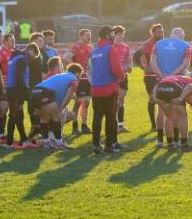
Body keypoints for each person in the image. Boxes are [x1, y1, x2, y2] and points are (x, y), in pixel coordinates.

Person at [89, 25, 128, 154]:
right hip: (109, 89)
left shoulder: (94, 51)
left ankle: (96, 144)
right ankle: (109, 145)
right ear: (107, 35)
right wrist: (122, 76)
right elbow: (116, 69)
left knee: (97, 118)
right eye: (112, 33)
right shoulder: (111, 49)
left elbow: (91, 70)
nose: (114, 36)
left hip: (95, 89)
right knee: (111, 118)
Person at [151, 28, 191, 146]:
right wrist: (172, 75)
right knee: (179, 113)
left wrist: (161, 75)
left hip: (160, 81)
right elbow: (185, 64)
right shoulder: (185, 45)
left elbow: (152, 62)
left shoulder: (158, 44)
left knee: (162, 112)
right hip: (176, 82)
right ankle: (178, 141)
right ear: (182, 36)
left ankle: (160, 141)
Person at [31, 64, 83, 149]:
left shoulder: (61, 75)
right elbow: (68, 96)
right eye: (80, 75)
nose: (80, 77)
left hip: (35, 91)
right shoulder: (74, 79)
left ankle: (46, 142)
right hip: (45, 92)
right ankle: (59, 143)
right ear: (77, 73)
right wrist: (60, 109)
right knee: (57, 117)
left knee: (44, 118)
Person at [152, 74, 192, 151]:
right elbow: (190, 87)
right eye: (190, 102)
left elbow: (157, 85)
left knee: (169, 116)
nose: (188, 102)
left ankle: (170, 144)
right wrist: (181, 98)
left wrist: (154, 97)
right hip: (173, 88)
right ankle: (184, 145)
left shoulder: (178, 79)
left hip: (160, 89)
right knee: (183, 116)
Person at [5, 41, 36, 149]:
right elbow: (19, 77)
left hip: (11, 88)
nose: (33, 58)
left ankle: (23, 139)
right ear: (30, 51)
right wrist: (25, 93)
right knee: (13, 115)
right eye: (34, 55)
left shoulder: (14, 57)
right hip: (16, 90)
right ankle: (9, 142)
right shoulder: (22, 59)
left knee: (18, 115)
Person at [135, 23, 165, 131]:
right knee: (153, 98)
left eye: (162, 31)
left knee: (163, 99)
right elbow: (136, 56)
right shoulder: (147, 44)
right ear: (153, 33)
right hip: (151, 77)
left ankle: (162, 123)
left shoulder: (164, 43)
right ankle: (153, 125)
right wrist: (144, 68)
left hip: (162, 75)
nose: (161, 33)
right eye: (158, 32)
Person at [69, 29, 94, 135]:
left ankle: (84, 125)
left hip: (87, 79)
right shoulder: (76, 47)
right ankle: (75, 126)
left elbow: (91, 63)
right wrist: (74, 72)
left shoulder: (90, 47)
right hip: (79, 79)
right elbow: (67, 57)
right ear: (81, 36)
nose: (89, 37)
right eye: (87, 35)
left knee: (86, 102)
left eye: (90, 35)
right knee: (78, 102)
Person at [27, 32, 47, 138]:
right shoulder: (26, 56)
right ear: (33, 41)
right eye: (39, 41)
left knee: (40, 108)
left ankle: (40, 129)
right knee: (32, 109)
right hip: (30, 86)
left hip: (41, 85)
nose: (42, 43)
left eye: (43, 41)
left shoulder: (43, 54)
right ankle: (34, 129)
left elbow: (46, 70)